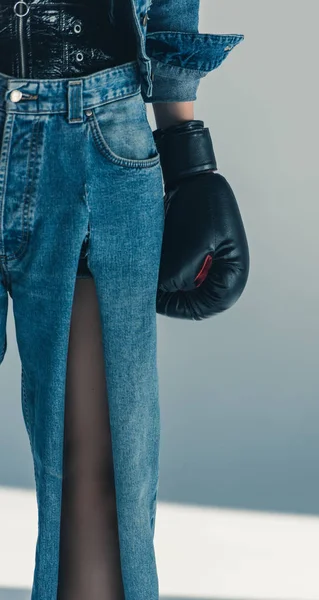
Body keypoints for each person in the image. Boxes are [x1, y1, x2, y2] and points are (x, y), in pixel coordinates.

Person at [0, 0, 249, 598]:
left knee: (95, 491)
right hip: (95, 139)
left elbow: (167, 13)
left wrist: (191, 162)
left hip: (96, 139)